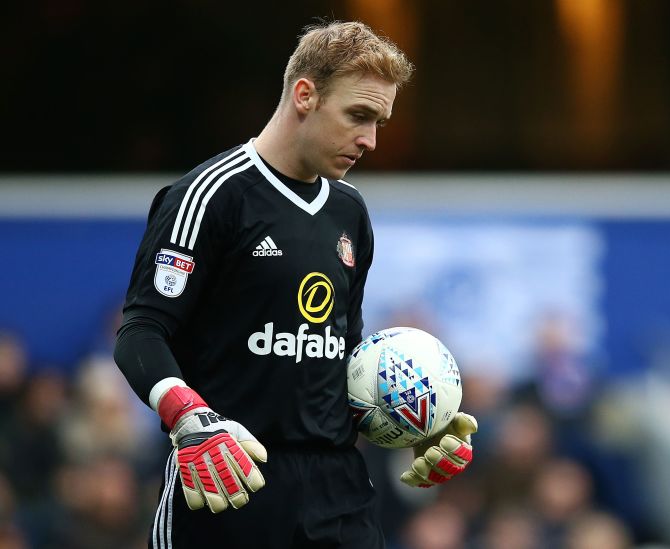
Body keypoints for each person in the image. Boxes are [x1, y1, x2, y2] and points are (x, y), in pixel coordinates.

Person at [114, 20, 477, 549]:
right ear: (305, 95)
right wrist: (188, 418)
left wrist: (419, 422)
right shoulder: (211, 195)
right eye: (359, 116)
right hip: (229, 482)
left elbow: (340, 363)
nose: (370, 140)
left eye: (379, 122)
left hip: (338, 493)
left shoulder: (349, 212)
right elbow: (141, 332)